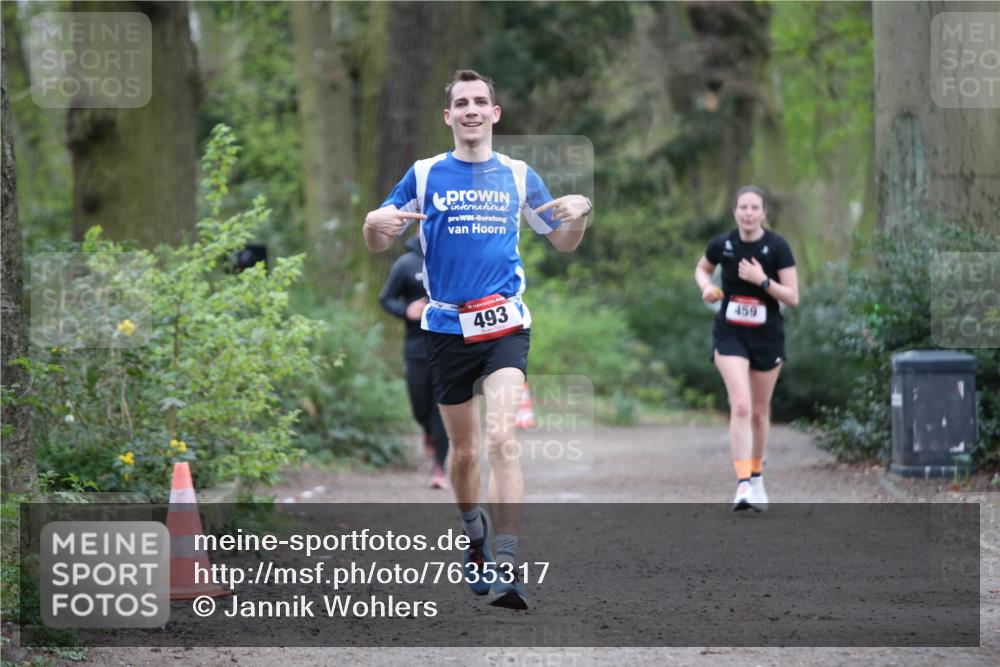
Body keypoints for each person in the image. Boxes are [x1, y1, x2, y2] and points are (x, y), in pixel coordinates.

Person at [363, 69, 591, 609]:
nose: (471, 109)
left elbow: (563, 242)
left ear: (494, 113)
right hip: (445, 329)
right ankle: (475, 537)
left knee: (501, 439)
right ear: (449, 116)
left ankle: (507, 564)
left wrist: (580, 214)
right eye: (461, 103)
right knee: (464, 454)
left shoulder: (517, 175)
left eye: (480, 101)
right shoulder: (424, 174)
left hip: (505, 323)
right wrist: (372, 223)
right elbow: (378, 240)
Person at [694, 186, 798, 512]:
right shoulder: (722, 245)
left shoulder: (777, 247)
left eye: (754, 208)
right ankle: (742, 484)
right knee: (740, 405)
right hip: (730, 334)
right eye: (743, 207)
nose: (748, 213)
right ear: (735, 211)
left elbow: (793, 296)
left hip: (767, 336)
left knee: (759, 412)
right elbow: (702, 268)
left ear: (763, 212)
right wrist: (707, 287)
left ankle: (756, 477)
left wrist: (761, 280)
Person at [379, 233, 449, 489]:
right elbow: (386, 298)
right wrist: (406, 311)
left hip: (449, 345)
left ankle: (440, 466)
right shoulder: (406, 263)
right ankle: (428, 431)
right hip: (416, 346)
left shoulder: (454, 256)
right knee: (420, 407)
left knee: (441, 407)